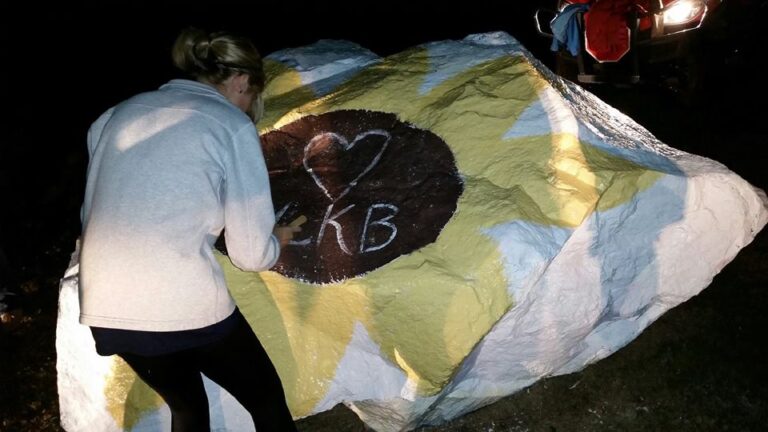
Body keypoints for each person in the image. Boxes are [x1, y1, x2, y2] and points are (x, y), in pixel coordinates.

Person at [78, 27, 300, 432]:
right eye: (251, 96)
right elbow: (251, 255)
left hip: (106, 308)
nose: (248, 106)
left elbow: (96, 211)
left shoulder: (113, 115)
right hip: (182, 302)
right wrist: (276, 241)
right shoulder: (230, 124)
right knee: (266, 401)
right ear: (241, 81)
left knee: (188, 409)